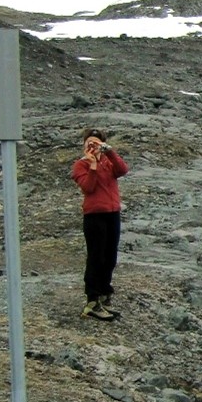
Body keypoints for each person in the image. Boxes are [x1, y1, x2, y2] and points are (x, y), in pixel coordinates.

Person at [70, 128, 129, 321]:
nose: (92, 146)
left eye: (96, 143)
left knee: (110, 257)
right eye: (89, 143)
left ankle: (104, 294)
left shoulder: (108, 162)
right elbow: (88, 187)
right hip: (94, 216)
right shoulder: (80, 165)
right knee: (96, 257)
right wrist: (93, 166)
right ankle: (92, 301)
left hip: (112, 213)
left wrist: (109, 152)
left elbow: (123, 170)